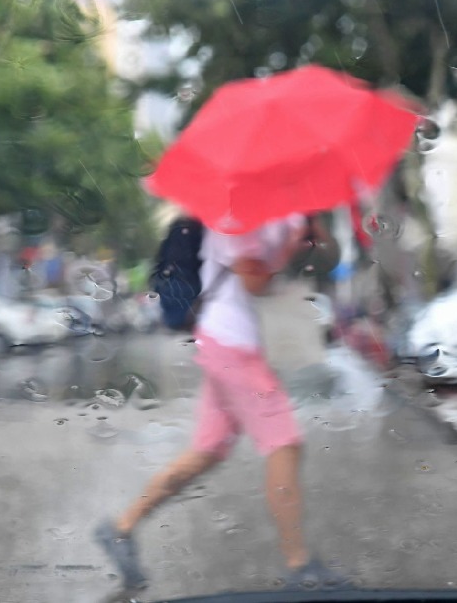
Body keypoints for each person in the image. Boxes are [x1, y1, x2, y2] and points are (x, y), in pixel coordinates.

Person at [95, 213, 349, 593]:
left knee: (207, 450)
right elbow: (253, 280)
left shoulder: (280, 212)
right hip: (231, 343)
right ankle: (300, 565)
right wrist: (289, 245)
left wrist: (306, 235)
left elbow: (326, 258)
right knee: (284, 442)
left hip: (228, 338)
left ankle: (120, 529)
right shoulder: (238, 216)